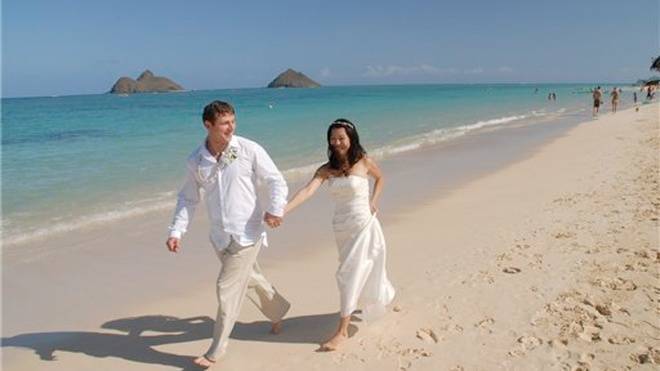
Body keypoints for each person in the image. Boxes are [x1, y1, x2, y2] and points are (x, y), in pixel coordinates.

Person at [166, 100, 291, 368]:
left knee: (227, 288)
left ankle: (216, 349)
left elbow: (275, 180)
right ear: (208, 125)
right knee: (250, 279)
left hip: (248, 233)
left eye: (233, 121)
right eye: (224, 123)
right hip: (220, 237)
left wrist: (275, 209)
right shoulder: (196, 160)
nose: (231, 127)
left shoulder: (248, 149)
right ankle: (278, 312)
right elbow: (188, 199)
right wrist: (177, 230)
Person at [284, 118, 395, 351]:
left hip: (363, 223)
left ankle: (342, 331)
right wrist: (282, 211)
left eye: (341, 138)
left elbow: (381, 178)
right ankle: (373, 300)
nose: (337, 142)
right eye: (333, 139)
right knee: (352, 270)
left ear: (351, 138)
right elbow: (307, 191)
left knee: (348, 275)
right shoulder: (326, 169)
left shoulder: (363, 162)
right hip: (341, 228)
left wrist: (373, 201)